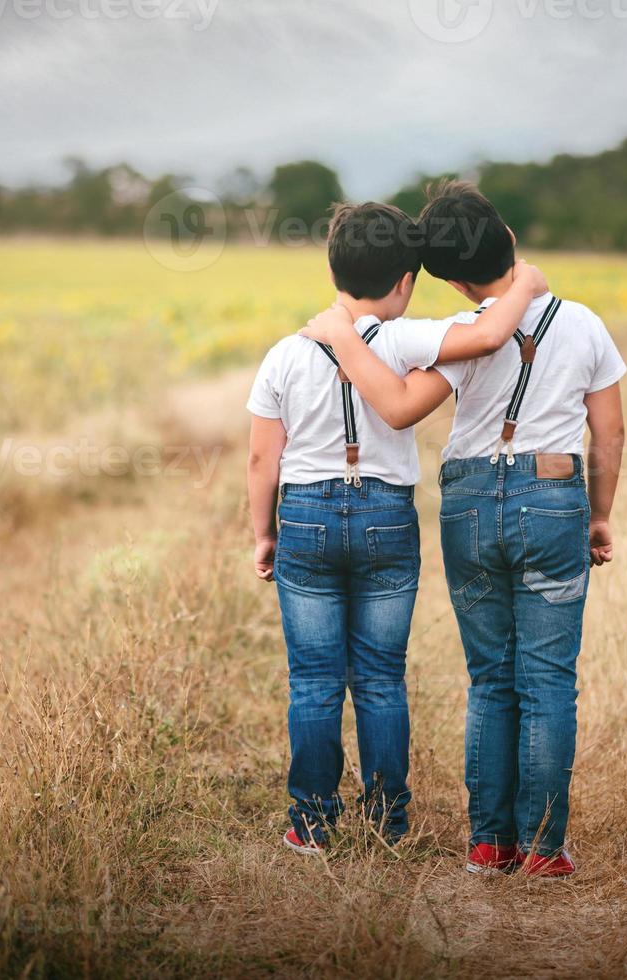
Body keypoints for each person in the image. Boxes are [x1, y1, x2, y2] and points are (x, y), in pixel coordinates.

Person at [300, 180, 626, 877]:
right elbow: (611, 429)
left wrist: (339, 336)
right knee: (547, 680)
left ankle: (487, 842)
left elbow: (401, 402)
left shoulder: (459, 339)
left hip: (471, 502)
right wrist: (598, 515)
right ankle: (543, 848)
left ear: (448, 279)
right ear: (508, 237)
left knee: (490, 679)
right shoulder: (585, 324)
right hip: (554, 494)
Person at [246, 200, 548, 852]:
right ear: (405, 282)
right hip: (385, 515)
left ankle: (313, 823)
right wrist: (524, 279)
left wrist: (263, 532)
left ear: (333, 269)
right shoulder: (409, 339)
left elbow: (260, 458)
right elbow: (488, 331)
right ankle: (388, 823)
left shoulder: (284, 355)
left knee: (315, 681)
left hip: (304, 515)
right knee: (382, 678)